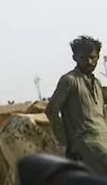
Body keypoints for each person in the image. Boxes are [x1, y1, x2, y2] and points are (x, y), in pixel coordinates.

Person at [45, 36, 107, 176]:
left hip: (103, 138)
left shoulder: (97, 82)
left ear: (98, 57)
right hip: (86, 143)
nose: (89, 62)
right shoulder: (69, 80)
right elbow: (51, 110)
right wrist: (65, 138)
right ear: (75, 58)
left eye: (93, 57)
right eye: (84, 58)